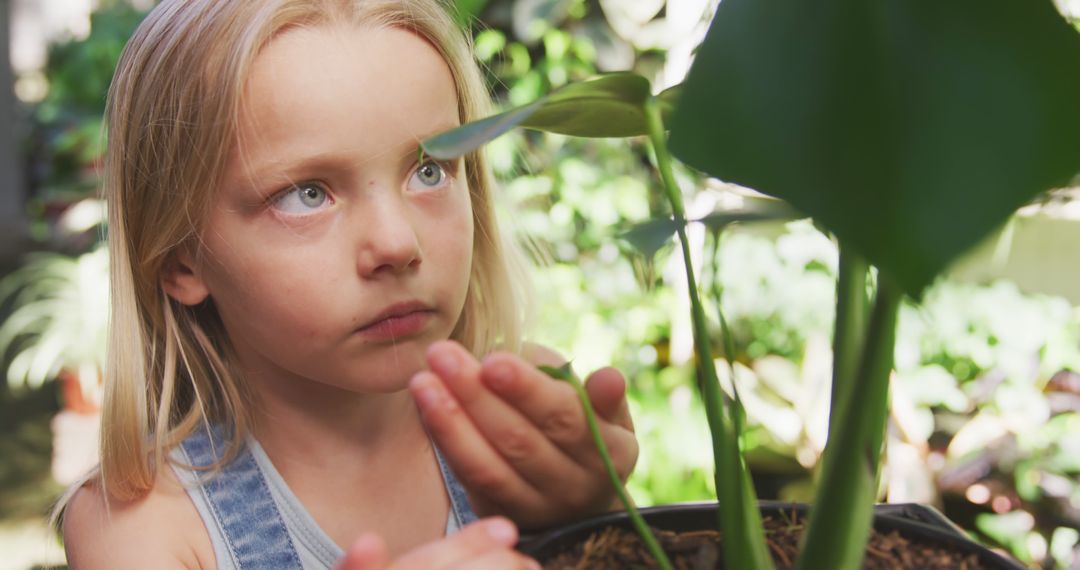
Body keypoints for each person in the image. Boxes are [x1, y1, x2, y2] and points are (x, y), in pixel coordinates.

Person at [57, 1, 638, 568]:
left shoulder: (522, 435)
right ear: (181, 261)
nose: (396, 244)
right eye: (306, 193)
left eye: (429, 171)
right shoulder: (141, 526)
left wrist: (592, 524)